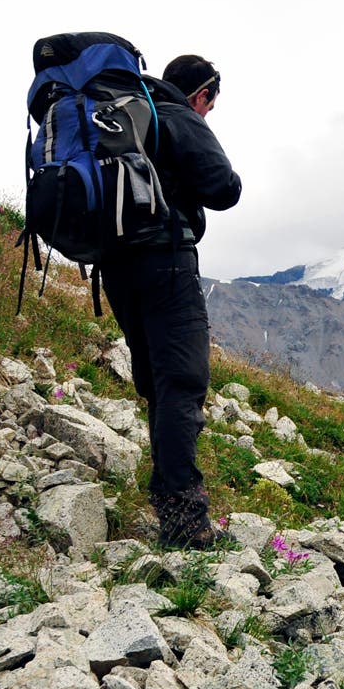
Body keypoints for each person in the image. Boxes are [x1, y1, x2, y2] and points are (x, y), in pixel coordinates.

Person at [97, 54, 241, 548]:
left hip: (115, 265)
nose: (208, 112)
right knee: (182, 382)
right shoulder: (178, 116)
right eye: (211, 105)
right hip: (166, 260)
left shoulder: (118, 113)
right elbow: (224, 188)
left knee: (157, 382)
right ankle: (184, 520)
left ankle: (166, 498)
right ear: (202, 94)